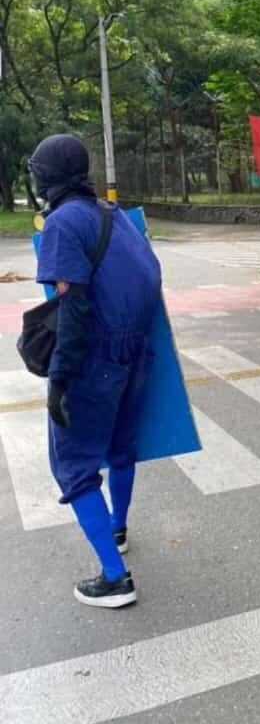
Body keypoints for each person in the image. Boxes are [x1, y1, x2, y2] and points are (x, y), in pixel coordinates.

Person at [28, 134, 162, 608]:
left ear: (44, 176)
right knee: (120, 447)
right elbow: (151, 276)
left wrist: (60, 379)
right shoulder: (116, 215)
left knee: (74, 465)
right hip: (137, 353)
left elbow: (74, 308)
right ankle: (118, 529)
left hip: (96, 358)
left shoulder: (64, 223)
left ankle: (114, 576)